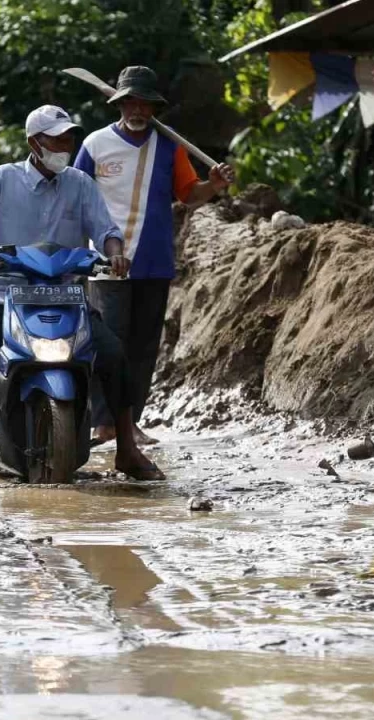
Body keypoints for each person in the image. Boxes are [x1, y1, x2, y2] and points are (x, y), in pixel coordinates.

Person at [0, 104, 165, 482]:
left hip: (66, 294)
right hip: (5, 292)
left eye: (69, 138)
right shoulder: (0, 179)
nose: (66, 145)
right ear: (34, 143)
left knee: (114, 353)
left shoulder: (80, 184)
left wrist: (116, 255)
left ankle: (127, 450)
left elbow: (106, 231)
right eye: (57, 139)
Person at [74, 66, 235, 446]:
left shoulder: (169, 147)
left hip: (154, 261)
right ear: (120, 103)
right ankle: (103, 422)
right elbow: (74, 198)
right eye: (131, 101)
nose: (138, 110)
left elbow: (189, 196)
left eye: (145, 104)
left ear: (154, 109)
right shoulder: (95, 145)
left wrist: (212, 185)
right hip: (105, 263)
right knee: (108, 342)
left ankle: (129, 423)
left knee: (143, 347)